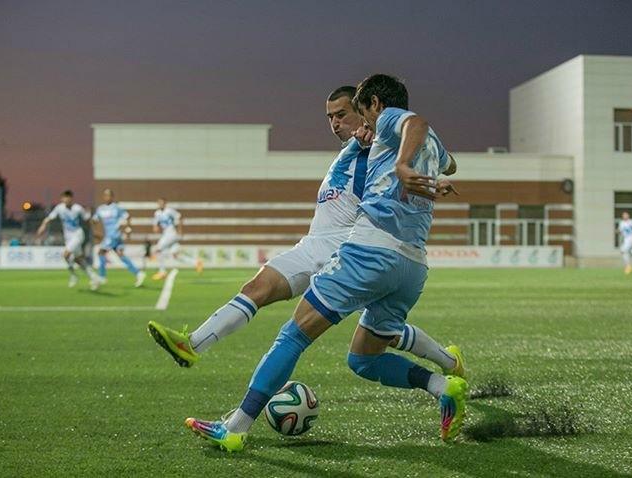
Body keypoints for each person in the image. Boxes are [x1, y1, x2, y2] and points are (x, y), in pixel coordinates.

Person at [183, 74, 467, 452]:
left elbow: (415, 122)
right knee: (364, 360)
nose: (367, 124)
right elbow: (450, 165)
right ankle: (443, 386)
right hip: (412, 266)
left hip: (371, 252)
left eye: (364, 112)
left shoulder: (391, 118)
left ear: (375, 104)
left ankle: (234, 428)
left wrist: (401, 164)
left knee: (293, 335)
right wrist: (430, 178)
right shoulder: (432, 143)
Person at [148, 86, 459, 377]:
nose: (335, 123)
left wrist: (418, 172)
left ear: (365, 112)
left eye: (342, 115)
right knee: (258, 287)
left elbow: (406, 162)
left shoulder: (380, 146)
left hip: (351, 247)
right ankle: (192, 344)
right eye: (330, 117)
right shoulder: (353, 149)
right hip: (314, 244)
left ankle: (448, 362)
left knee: (380, 333)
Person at [36, 190, 101, 290]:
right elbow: (49, 218)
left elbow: (87, 219)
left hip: (78, 235)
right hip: (68, 237)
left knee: (66, 255)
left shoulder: (77, 208)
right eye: (64, 198)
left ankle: (73, 275)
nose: (66, 200)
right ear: (61, 199)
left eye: (68, 198)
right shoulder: (59, 208)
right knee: (78, 259)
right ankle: (94, 277)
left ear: (71, 198)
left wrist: (95, 231)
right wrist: (43, 226)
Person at [91, 189, 145, 287]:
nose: (107, 197)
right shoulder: (100, 209)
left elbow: (127, 217)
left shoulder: (116, 208)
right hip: (109, 235)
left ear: (112, 197)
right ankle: (138, 273)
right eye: (105, 195)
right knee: (120, 255)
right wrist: (94, 228)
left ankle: (102, 277)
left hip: (114, 235)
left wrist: (128, 229)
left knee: (101, 252)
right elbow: (94, 220)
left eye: (109, 195)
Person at [151, 198, 203, 280]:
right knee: (175, 255)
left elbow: (180, 217)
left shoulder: (169, 211)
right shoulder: (157, 213)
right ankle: (196, 262)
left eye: (162, 203)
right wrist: (155, 227)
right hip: (166, 234)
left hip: (171, 233)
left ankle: (162, 272)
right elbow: (156, 223)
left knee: (158, 250)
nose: (160, 204)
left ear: (165, 203)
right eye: (159, 203)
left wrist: (180, 229)